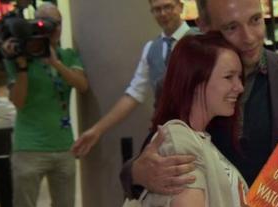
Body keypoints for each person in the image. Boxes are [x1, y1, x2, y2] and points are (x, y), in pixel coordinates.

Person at [121, 0, 278, 207]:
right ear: (204, 26)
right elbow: (154, 152)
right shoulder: (183, 82)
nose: (249, 37)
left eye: (255, 20)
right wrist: (137, 173)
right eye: (231, 27)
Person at [136, 31, 254, 207]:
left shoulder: (199, 139)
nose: (239, 87)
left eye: (239, 77)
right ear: (196, 80)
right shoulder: (180, 141)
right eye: (229, 77)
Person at [71, 0, 198, 157]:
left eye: (168, 7)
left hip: (200, 132)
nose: (163, 13)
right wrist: (97, 130)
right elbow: (134, 94)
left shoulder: (200, 40)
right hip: (166, 134)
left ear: (180, 6)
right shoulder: (151, 48)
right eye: (157, 9)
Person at [1, 3, 88, 207]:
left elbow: (82, 85)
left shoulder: (68, 56)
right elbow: (19, 101)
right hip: (29, 147)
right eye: (45, 24)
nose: (52, 29)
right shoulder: (19, 55)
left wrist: (56, 63)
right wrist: (21, 67)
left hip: (63, 146)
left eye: (57, 24)